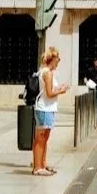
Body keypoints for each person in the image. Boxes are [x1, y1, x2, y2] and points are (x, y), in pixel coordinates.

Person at [30, 46, 68, 177]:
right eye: (58, 59)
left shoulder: (44, 71)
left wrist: (59, 87)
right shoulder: (47, 73)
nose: (59, 61)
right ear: (53, 59)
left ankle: (41, 165)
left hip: (47, 108)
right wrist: (61, 91)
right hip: (44, 108)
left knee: (44, 138)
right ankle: (37, 167)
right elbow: (50, 93)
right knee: (40, 139)